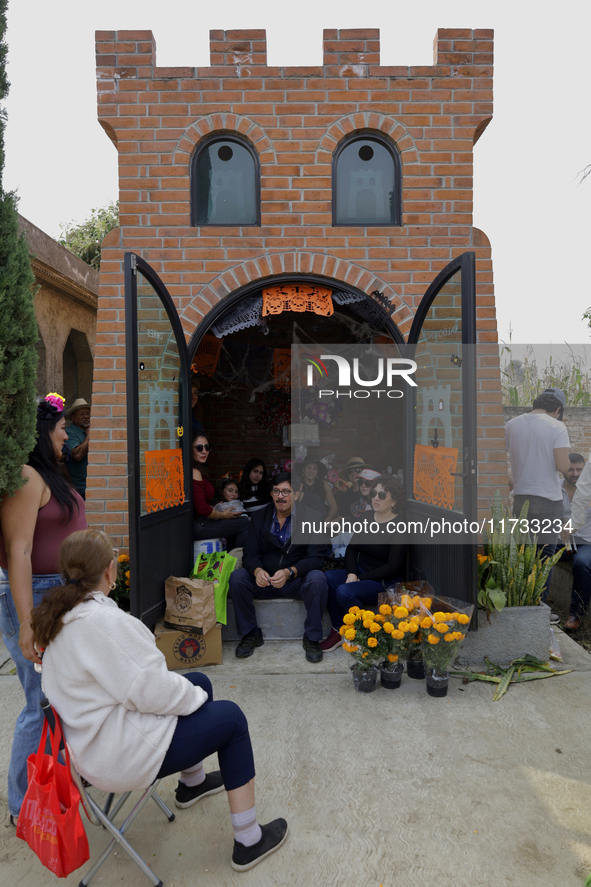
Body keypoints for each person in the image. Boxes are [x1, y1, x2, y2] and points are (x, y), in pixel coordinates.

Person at [32, 529, 287, 872]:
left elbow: (139, 687)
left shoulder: (60, 616)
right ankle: (249, 840)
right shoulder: (105, 623)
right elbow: (151, 691)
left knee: (198, 680)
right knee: (232, 719)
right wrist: (193, 700)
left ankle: (191, 784)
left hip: (87, 744)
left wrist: (192, 694)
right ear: (111, 570)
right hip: (116, 755)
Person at [0, 393, 87, 822]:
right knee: (39, 701)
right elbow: (19, 552)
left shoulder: (50, 476)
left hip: (57, 592)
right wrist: (27, 624)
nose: (66, 436)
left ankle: (53, 787)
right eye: (59, 431)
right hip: (35, 594)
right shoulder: (26, 476)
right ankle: (21, 806)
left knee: (60, 697)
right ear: (41, 434)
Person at [229, 472, 331, 663]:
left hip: (295, 581)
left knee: (317, 578)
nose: (280, 496)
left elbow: (317, 558)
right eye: (276, 491)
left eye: (286, 491)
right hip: (265, 581)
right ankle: (251, 633)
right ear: (271, 493)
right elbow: (250, 554)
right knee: (238, 578)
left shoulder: (313, 517)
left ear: (298, 494)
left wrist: (289, 572)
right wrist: (257, 571)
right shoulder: (259, 517)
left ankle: (312, 637)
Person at [321, 475, 407, 652]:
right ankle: (338, 630)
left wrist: (361, 578)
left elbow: (393, 566)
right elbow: (352, 549)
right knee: (327, 578)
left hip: (382, 581)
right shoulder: (367, 517)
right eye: (374, 493)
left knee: (344, 591)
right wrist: (352, 573)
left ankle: (366, 634)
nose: (376, 497)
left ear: (394, 501)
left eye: (382, 495)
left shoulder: (400, 526)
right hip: (361, 572)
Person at [505, 387, 571, 607]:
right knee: (545, 559)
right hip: (549, 503)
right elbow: (563, 466)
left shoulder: (512, 424)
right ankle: (539, 609)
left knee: (524, 555)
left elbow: (495, 462)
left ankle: (520, 605)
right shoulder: (557, 426)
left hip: (521, 501)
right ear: (558, 409)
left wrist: (516, 484)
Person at [192, 433, 250, 549]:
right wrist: (223, 515)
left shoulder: (199, 470)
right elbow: (201, 509)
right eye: (199, 448)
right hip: (199, 525)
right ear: (190, 449)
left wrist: (215, 507)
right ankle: (235, 559)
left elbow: (200, 504)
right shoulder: (195, 472)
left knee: (239, 522)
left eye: (207, 447)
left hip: (203, 521)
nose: (204, 451)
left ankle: (231, 558)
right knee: (246, 524)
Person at [556, 453, 591, 631]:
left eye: (579, 469)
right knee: (539, 553)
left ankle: (575, 616)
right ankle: (534, 602)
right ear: (564, 470)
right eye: (571, 469)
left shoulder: (589, 489)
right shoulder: (555, 488)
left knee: (583, 563)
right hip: (561, 540)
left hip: (587, 540)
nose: (575, 473)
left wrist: (574, 525)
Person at [295, 456, 338, 521]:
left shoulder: (323, 484)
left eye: (315, 468)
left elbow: (334, 507)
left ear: (318, 471)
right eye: (308, 467)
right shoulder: (297, 484)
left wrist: (325, 522)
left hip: (320, 518)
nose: (311, 471)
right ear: (303, 469)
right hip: (301, 520)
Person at [65, 397, 91, 499]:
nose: (86, 416)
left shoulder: (90, 430)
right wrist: (89, 435)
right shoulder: (69, 432)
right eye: (81, 414)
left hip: (93, 486)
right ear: (73, 417)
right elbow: (77, 455)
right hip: (78, 489)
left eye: (88, 413)